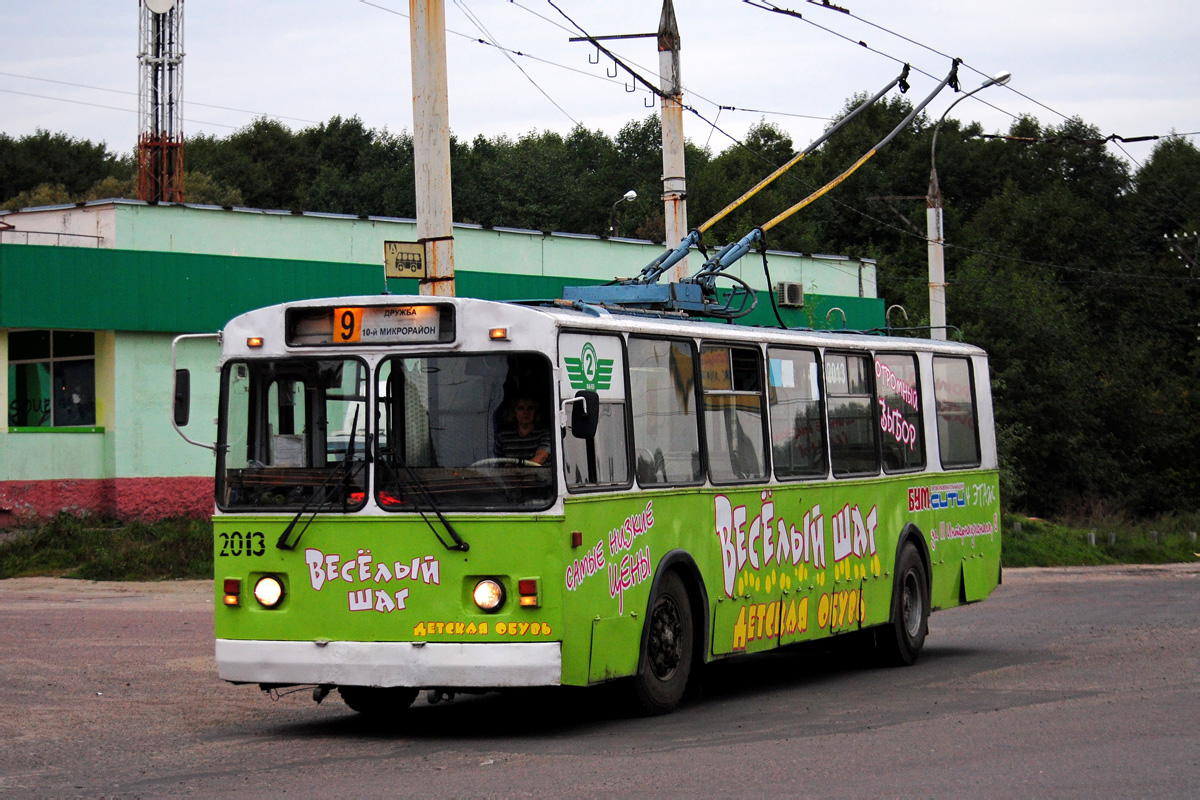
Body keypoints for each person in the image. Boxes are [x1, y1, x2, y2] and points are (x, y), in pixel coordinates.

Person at [495, 395, 552, 465]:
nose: (526, 412)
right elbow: (497, 463)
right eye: (520, 408)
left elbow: (541, 458)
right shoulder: (503, 436)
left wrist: (518, 471)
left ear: (535, 411)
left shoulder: (546, 433)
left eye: (530, 408)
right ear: (513, 412)